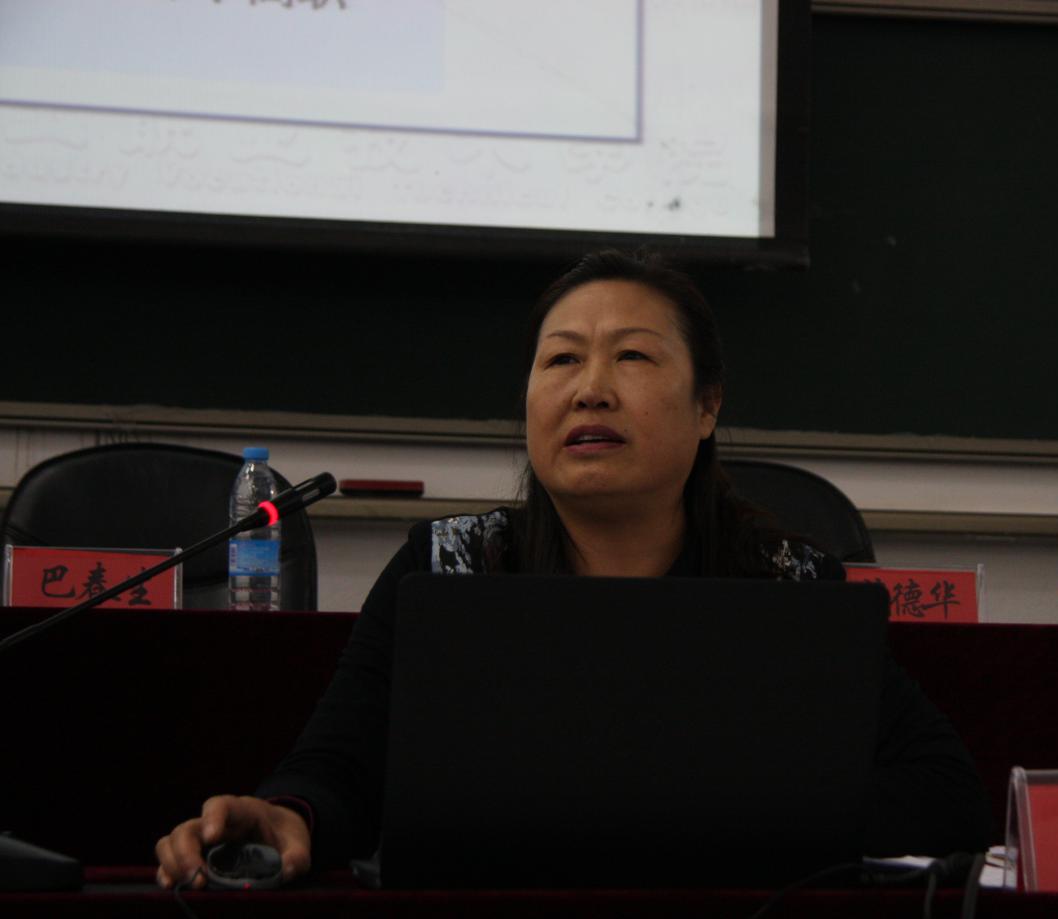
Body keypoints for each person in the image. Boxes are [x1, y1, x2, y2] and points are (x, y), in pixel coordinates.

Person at [155, 250, 992, 889]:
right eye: (560, 360)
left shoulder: (788, 586)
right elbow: (340, 766)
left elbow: (945, 793)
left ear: (708, 405)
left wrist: (727, 826)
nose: (590, 389)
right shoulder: (448, 570)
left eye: (633, 357)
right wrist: (289, 814)